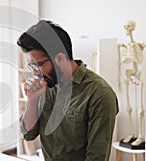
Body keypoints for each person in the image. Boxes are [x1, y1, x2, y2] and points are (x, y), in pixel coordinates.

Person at [17, 20, 119, 161]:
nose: (35, 74)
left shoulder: (100, 94)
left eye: (37, 65)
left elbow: (97, 157)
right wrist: (32, 101)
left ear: (59, 58)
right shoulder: (45, 85)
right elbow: (28, 134)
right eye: (31, 66)